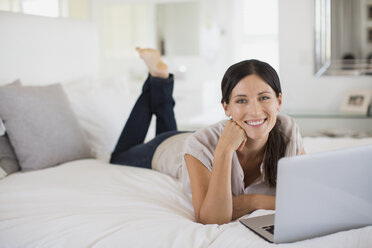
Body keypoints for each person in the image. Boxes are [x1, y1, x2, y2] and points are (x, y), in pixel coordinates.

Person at [110, 47, 306, 225]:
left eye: (264, 98)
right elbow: (211, 218)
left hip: (190, 142)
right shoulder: (201, 144)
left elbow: (307, 196)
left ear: (279, 101)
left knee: (166, 128)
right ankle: (157, 80)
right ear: (226, 107)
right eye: (241, 100)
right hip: (166, 149)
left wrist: (251, 201)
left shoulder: (287, 130)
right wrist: (223, 150)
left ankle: (160, 78)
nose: (255, 111)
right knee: (119, 155)